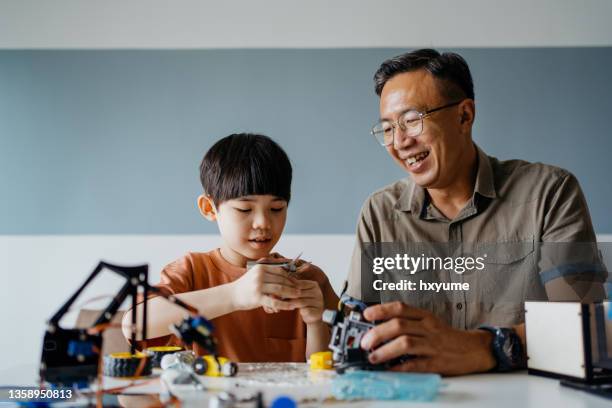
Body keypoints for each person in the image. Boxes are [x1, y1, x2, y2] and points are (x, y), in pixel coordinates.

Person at [346, 49, 605, 375]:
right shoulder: (378, 213)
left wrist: (484, 347)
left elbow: (586, 330)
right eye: (387, 128)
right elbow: (357, 334)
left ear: (464, 115)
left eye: (411, 121)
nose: (399, 142)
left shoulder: (549, 193)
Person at [122, 133, 338, 362]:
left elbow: (331, 375)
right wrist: (234, 295)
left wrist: (316, 324)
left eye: (276, 209)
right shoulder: (192, 271)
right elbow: (134, 325)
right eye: (244, 209)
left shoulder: (309, 279)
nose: (263, 223)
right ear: (209, 208)